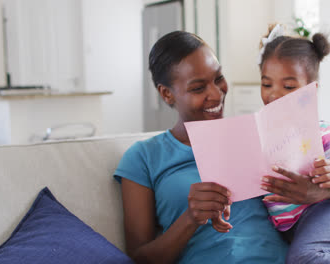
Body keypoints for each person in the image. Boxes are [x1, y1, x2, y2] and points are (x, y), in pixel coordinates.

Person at [114, 31, 288, 264]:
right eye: (198, 88)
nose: (216, 94)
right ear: (167, 94)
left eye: (218, 78)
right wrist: (190, 218)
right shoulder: (144, 157)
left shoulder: (252, 136)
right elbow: (139, 258)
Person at [257, 24, 330, 263]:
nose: (274, 94)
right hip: (296, 228)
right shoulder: (257, 137)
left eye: (288, 86)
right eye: (267, 84)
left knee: (302, 258)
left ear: (311, 89)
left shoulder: (318, 130)